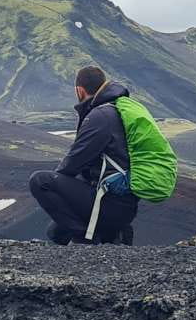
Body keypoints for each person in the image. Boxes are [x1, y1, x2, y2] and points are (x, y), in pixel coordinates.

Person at [29, 66, 138, 245]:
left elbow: (72, 165)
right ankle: (114, 233)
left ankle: (87, 238)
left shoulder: (100, 116)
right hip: (123, 203)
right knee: (56, 232)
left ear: (79, 90)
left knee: (40, 181)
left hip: (110, 204)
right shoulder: (115, 110)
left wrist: (58, 184)